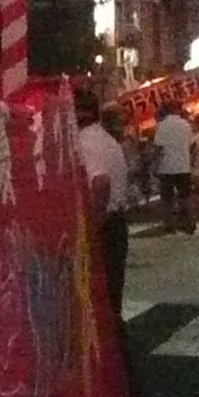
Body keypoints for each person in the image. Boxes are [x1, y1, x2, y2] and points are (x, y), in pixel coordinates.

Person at [70, 91, 132, 312]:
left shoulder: (88, 142)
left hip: (105, 225)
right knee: (110, 296)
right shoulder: (104, 138)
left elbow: (101, 183)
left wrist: (91, 228)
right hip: (115, 222)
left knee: (100, 298)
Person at [150, 103, 197, 235]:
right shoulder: (185, 125)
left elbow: (158, 147)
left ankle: (169, 224)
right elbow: (192, 144)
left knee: (167, 198)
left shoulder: (161, 126)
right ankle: (188, 222)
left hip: (166, 166)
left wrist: (154, 164)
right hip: (183, 165)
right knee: (185, 196)